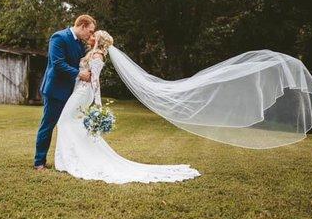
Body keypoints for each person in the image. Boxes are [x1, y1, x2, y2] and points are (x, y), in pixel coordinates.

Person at [54, 30, 202, 184]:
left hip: (84, 92)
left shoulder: (97, 56)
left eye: (94, 36)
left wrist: (98, 104)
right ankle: (74, 156)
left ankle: (70, 159)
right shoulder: (92, 53)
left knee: (64, 120)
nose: (90, 37)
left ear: (98, 40)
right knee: (71, 122)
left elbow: (96, 81)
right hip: (80, 90)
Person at [33, 14, 96, 170]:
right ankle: (39, 162)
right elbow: (57, 63)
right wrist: (79, 74)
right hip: (55, 90)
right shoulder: (59, 37)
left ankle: (70, 159)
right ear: (82, 25)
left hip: (71, 92)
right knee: (48, 125)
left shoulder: (80, 43)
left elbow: (82, 60)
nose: (90, 34)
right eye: (90, 31)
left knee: (69, 125)